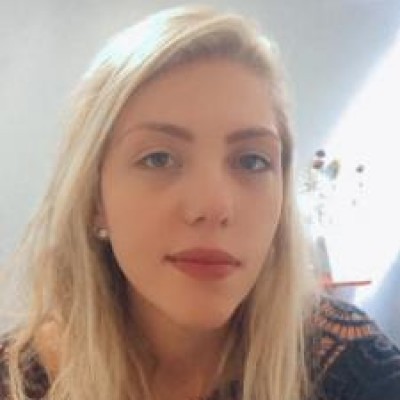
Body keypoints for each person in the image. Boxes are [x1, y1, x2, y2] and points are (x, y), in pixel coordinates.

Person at [0, 5, 399, 400]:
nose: (214, 206)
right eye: (158, 158)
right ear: (94, 198)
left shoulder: (349, 366)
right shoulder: (17, 382)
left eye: (252, 161)